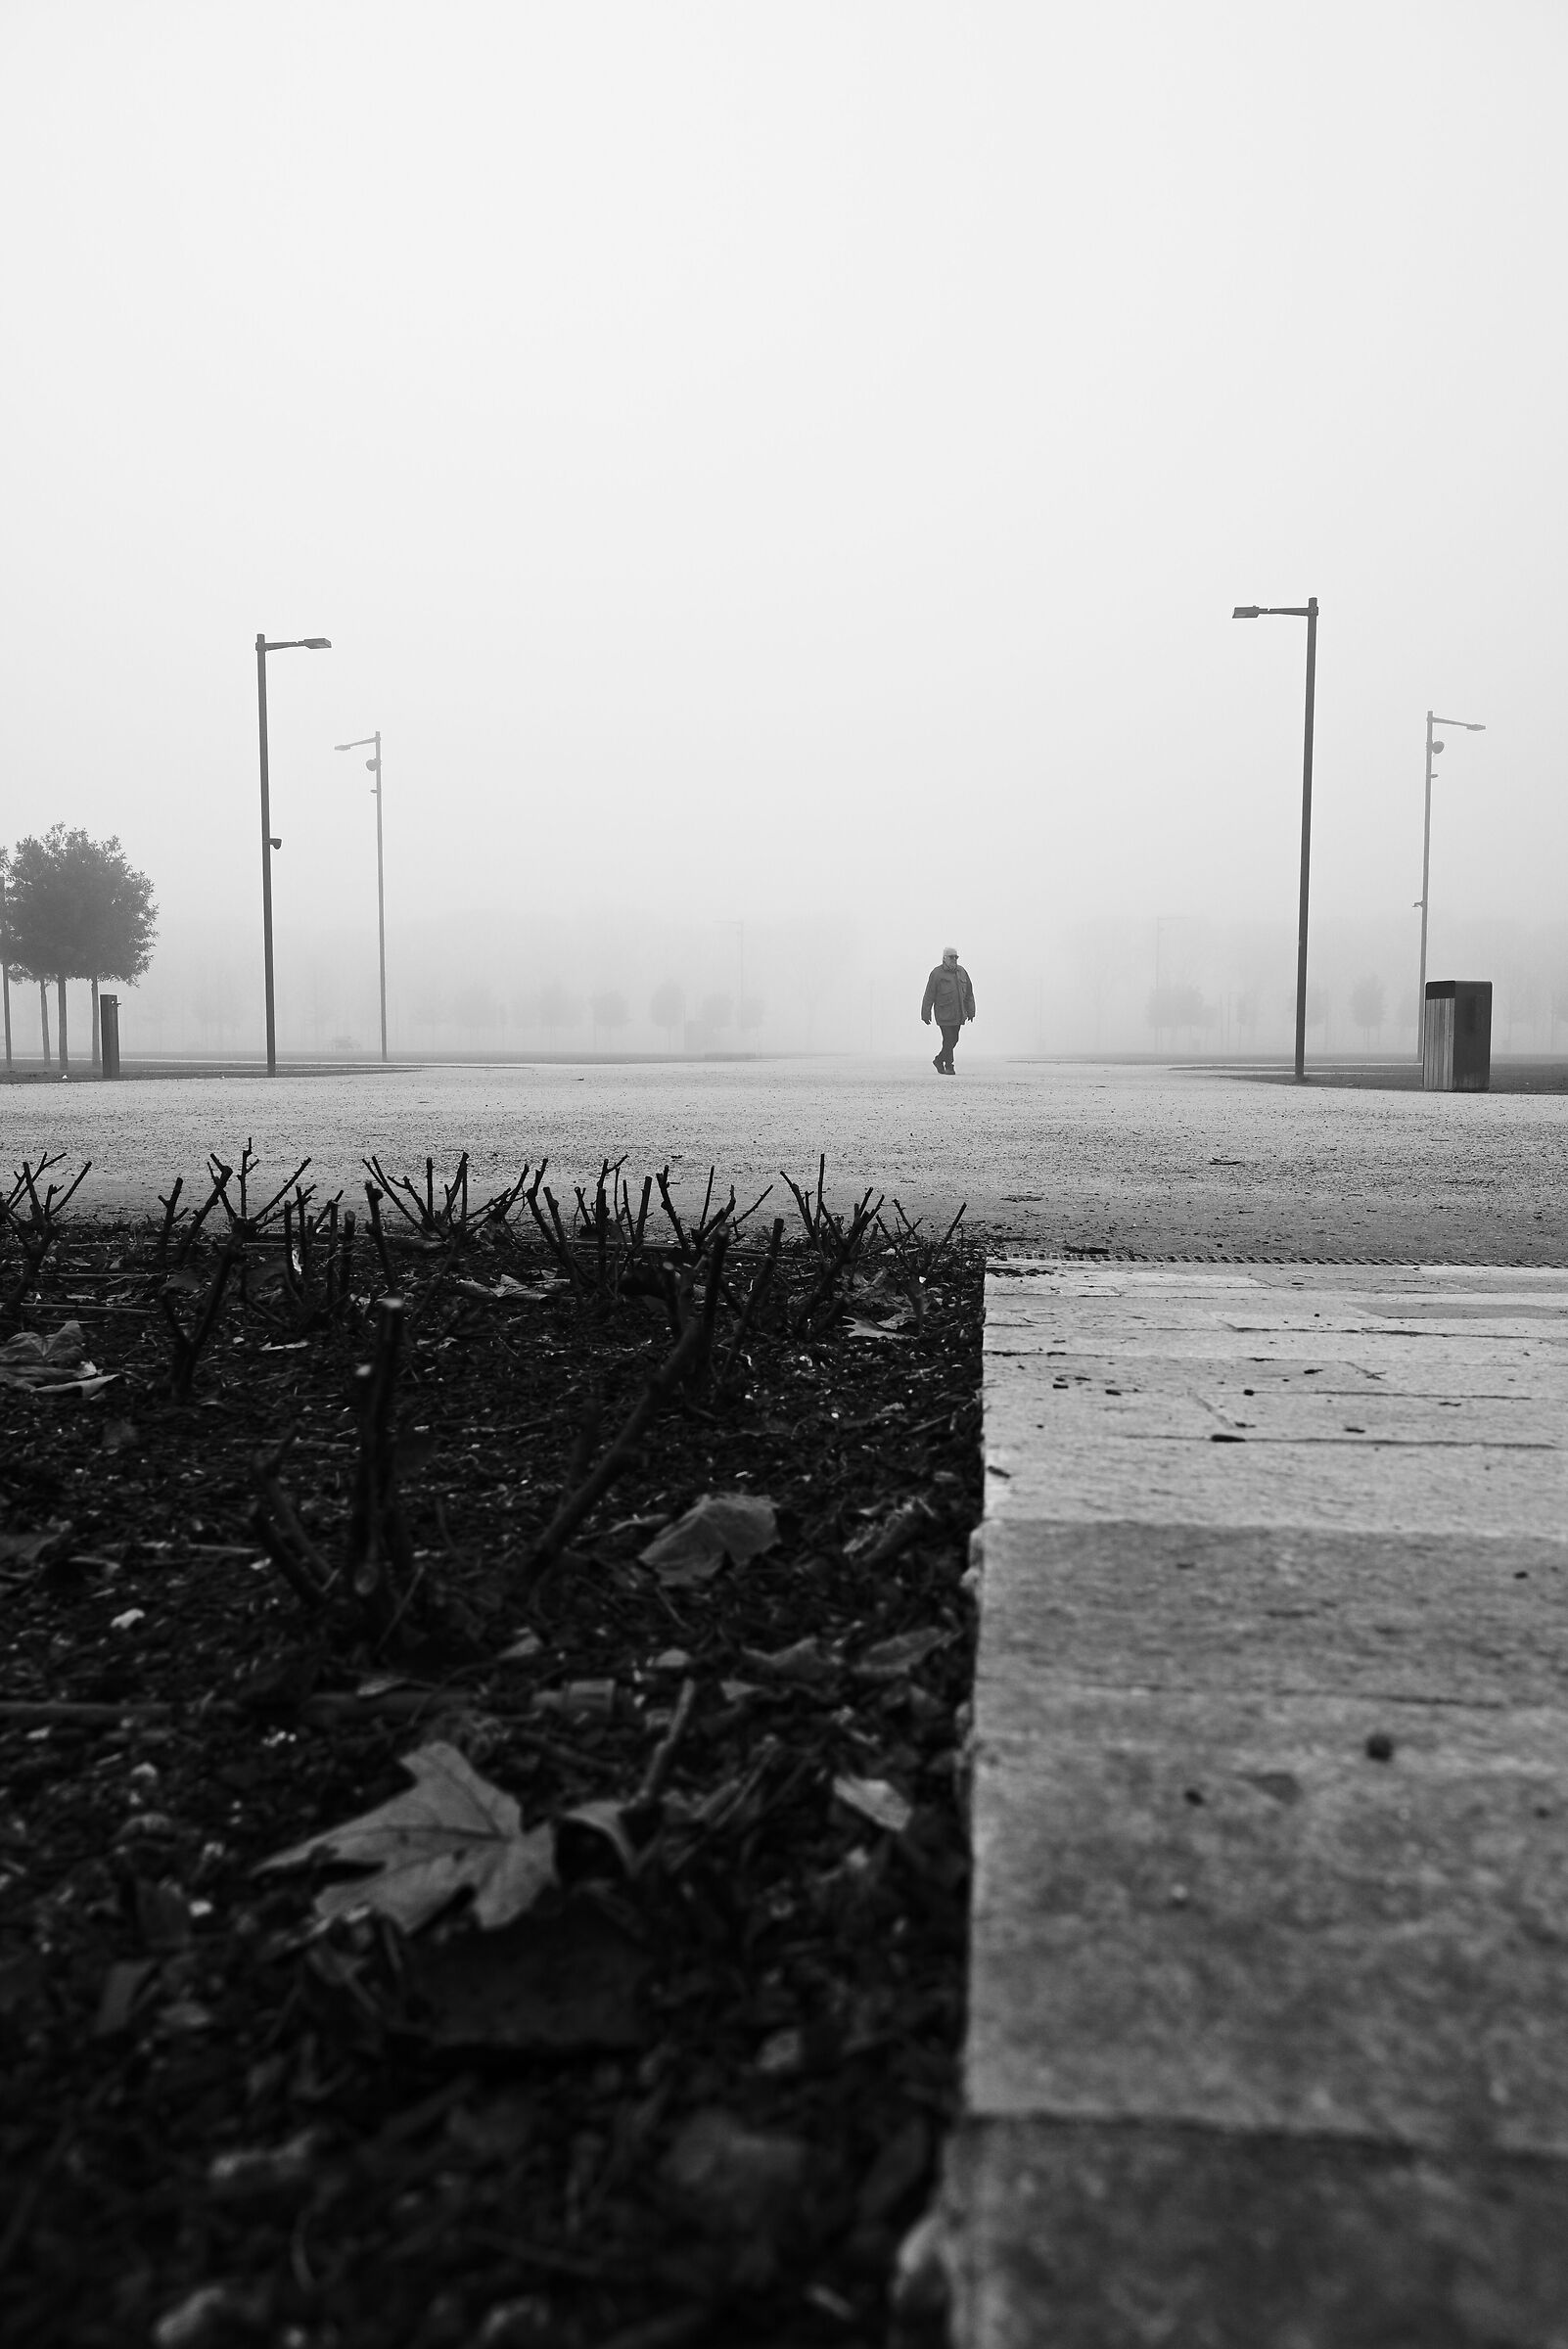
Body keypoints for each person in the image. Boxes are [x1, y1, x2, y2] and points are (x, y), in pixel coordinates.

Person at [921, 945, 976, 1074]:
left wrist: (971, 1011)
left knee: (954, 1039)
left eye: (956, 957)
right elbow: (929, 994)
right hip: (943, 1013)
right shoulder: (936, 973)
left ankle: (939, 1060)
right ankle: (949, 1065)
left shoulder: (962, 972)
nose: (954, 959)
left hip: (959, 1014)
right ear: (944, 958)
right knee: (948, 1039)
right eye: (951, 957)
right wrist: (925, 1013)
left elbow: (969, 993)